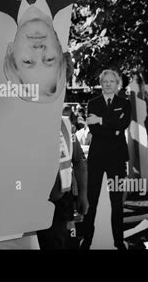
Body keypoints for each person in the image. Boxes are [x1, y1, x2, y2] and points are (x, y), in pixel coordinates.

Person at [78, 69, 132, 250]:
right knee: (91, 199)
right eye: (105, 81)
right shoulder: (93, 103)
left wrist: (101, 120)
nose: (108, 84)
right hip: (97, 157)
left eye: (112, 81)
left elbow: (123, 125)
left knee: (117, 201)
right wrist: (113, 127)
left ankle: (118, 240)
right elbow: (94, 130)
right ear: (101, 83)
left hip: (117, 158)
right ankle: (87, 239)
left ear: (118, 84)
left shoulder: (125, 103)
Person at [36, 106, 88, 249]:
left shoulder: (64, 125)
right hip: (24, 204)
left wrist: (82, 195)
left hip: (58, 204)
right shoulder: (15, 123)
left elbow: (78, 161)